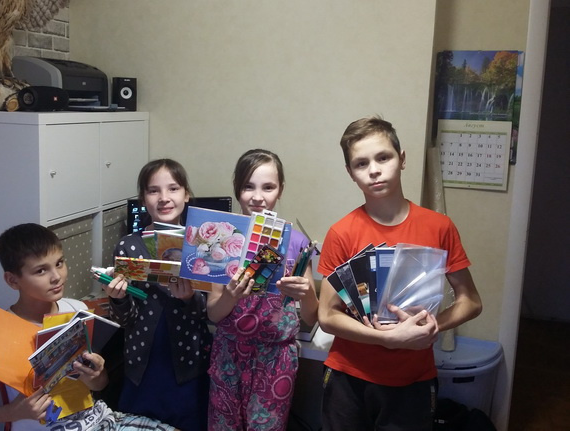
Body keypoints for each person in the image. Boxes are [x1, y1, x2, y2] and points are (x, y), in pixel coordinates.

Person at [317, 116, 483, 431]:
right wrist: (386, 338)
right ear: (351, 173)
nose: (374, 170)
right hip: (348, 377)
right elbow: (327, 315)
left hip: (413, 380)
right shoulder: (342, 233)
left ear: (402, 159)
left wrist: (432, 327)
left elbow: (471, 301)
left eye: (383, 157)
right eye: (361, 163)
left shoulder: (439, 227)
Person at [0, 223, 174, 431]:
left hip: (100, 420)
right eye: (41, 271)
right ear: (12, 280)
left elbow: (99, 384)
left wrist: (96, 375)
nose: (57, 276)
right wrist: (12, 412)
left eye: (59, 263)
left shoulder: (77, 310)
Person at [206, 148, 319, 431]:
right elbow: (214, 314)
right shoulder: (221, 239)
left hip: (276, 359)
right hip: (228, 355)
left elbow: (312, 316)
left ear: (280, 190)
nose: (258, 197)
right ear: (237, 189)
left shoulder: (297, 242)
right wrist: (231, 296)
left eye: (268, 187)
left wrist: (306, 292)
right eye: (248, 186)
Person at [102, 159, 212, 431]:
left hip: (189, 362)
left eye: (173, 189)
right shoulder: (128, 246)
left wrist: (189, 299)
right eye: (153, 191)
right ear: (143, 199)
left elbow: (211, 312)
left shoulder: (203, 245)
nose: (164, 198)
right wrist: (117, 298)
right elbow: (125, 319)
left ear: (186, 194)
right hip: (142, 364)